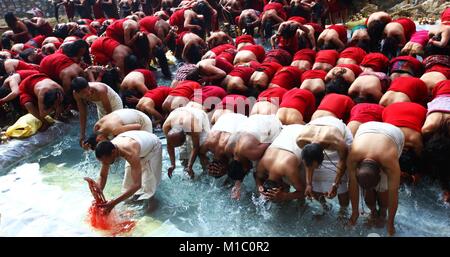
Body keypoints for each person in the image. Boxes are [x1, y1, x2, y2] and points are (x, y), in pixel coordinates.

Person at [347, 121, 404, 236]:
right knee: (368, 188)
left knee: (383, 189)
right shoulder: (352, 158)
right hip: (366, 128)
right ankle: (373, 212)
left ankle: (383, 213)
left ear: (380, 173)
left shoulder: (389, 162)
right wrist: (354, 213)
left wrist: (390, 223)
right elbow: (352, 185)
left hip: (394, 133)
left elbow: (393, 194)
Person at [94, 130, 162, 213]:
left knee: (149, 187)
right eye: (102, 161)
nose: (104, 164)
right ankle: (135, 203)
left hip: (152, 148)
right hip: (135, 143)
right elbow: (103, 176)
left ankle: (151, 209)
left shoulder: (130, 153)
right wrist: (99, 192)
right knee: (128, 184)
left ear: (113, 152)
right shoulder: (106, 150)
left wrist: (113, 203)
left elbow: (137, 185)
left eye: (105, 161)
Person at [296, 115, 353, 212]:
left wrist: (335, 185)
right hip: (315, 128)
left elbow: (342, 161)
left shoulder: (338, 142)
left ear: (322, 158)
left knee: (342, 182)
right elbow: (308, 162)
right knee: (316, 180)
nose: (316, 168)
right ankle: (324, 206)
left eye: (317, 165)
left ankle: (343, 211)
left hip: (337, 131)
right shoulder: (300, 140)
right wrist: (309, 184)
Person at [224, 114, 283, 199]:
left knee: (267, 157)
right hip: (252, 119)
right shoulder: (228, 149)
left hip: (271, 121)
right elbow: (240, 166)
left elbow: (271, 144)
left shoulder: (252, 153)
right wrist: (238, 186)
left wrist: (259, 186)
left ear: (244, 168)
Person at [256, 124, 306, 202]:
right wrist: (259, 186)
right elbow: (257, 176)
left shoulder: (289, 170)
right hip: (289, 128)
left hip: (305, 132)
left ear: (281, 186)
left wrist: (284, 196)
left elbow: (304, 192)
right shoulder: (262, 164)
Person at [71, 76, 123, 144]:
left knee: (113, 132)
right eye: (84, 92)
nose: (89, 93)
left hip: (114, 103)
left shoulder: (100, 90)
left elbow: (110, 115)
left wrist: (105, 131)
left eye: (88, 89)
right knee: (102, 133)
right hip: (100, 106)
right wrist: (82, 134)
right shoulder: (76, 94)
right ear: (77, 93)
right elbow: (83, 113)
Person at [163, 105, 211, 178]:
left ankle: (207, 173)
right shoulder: (166, 127)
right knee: (184, 155)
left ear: (185, 135)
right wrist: (173, 165)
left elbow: (196, 147)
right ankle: (188, 172)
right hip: (181, 113)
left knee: (202, 151)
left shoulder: (193, 127)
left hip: (199, 116)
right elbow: (169, 146)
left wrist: (190, 165)